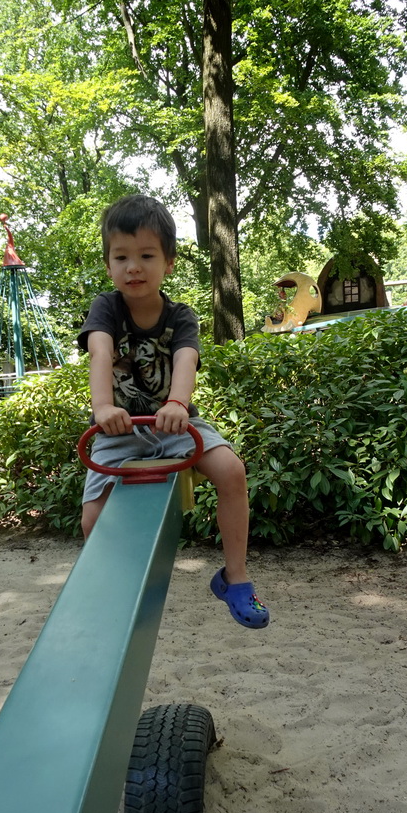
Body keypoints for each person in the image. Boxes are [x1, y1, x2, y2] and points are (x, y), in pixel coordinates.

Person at [78, 194, 269, 629]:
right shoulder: (106, 308)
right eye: (121, 256)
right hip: (118, 428)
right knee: (93, 519)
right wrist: (103, 406)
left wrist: (178, 404)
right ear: (108, 264)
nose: (133, 267)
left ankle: (234, 577)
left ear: (169, 262)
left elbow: (185, 360)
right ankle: (112, 588)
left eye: (147, 255)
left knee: (232, 471)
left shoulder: (181, 316)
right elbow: (100, 353)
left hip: (172, 423)